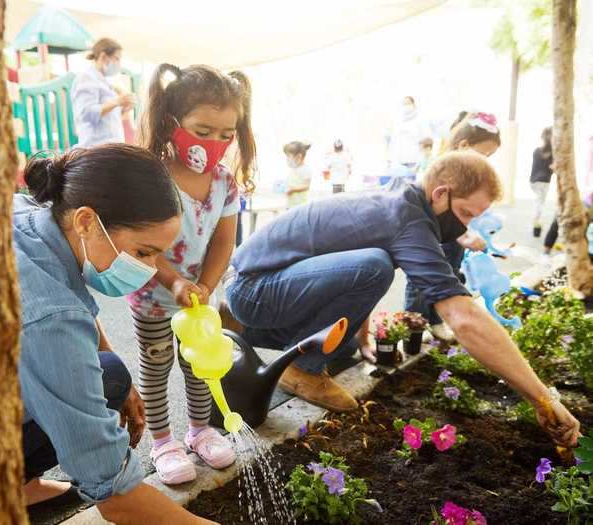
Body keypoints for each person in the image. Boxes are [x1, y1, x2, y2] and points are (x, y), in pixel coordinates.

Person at [224, 151, 580, 450]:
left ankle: (244, 325)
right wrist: (543, 398)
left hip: (262, 278)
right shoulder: (409, 222)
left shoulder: (400, 198)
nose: (466, 227)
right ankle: (301, 369)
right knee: (375, 267)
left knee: (364, 292)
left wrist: (358, 336)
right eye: (467, 214)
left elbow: (341, 262)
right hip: (256, 287)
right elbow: (463, 317)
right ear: (440, 193)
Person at [14, 144, 216, 525]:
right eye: (143, 252)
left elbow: (74, 310)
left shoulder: (31, 217)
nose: (150, 269)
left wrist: (119, 376)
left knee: (110, 375)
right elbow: (118, 499)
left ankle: (19, 483)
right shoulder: (50, 315)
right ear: (87, 221)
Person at [128, 64, 256, 485]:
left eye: (225, 134)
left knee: (204, 364)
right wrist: (174, 281)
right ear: (171, 123)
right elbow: (142, 244)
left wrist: (204, 283)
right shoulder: (152, 177)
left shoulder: (224, 183)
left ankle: (201, 431)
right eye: (202, 130)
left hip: (198, 301)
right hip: (152, 297)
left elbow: (223, 241)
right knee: (157, 364)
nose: (214, 144)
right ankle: (163, 441)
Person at [403, 112, 500, 343]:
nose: (486, 160)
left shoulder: (471, 174)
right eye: (484, 154)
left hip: (453, 239)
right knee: (422, 279)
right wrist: (465, 233)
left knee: (449, 274)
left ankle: (435, 320)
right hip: (434, 237)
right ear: (465, 145)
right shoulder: (442, 170)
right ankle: (414, 324)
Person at [71, 38, 135, 147]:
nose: (119, 64)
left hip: (110, 147)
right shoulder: (86, 78)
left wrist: (124, 108)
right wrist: (118, 102)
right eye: (116, 59)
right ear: (103, 56)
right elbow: (85, 113)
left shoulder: (104, 81)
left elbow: (107, 117)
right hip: (95, 148)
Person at [386, 96, 431, 175]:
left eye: (408, 103)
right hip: (400, 160)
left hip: (415, 159)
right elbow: (394, 141)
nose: (406, 106)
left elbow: (426, 139)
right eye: (404, 104)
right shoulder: (398, 121)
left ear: (413, 105)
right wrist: (390, 158)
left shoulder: (420, 119)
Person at [530, 127, 554, 237]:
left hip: (533, 180)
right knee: (540, 203)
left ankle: (536, 224)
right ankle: (536, 224)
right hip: (544, 181)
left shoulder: (536, 151)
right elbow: (552, 167)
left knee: (538, 202)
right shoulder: (552, 153)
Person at [283, 141, 313, 207]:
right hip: (290, 204)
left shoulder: (305, 169)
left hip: (300, 205)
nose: (287, 159)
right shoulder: (293, 169)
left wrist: (293, 190)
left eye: (289, 157)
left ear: (299, 156)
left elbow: (306, 186)